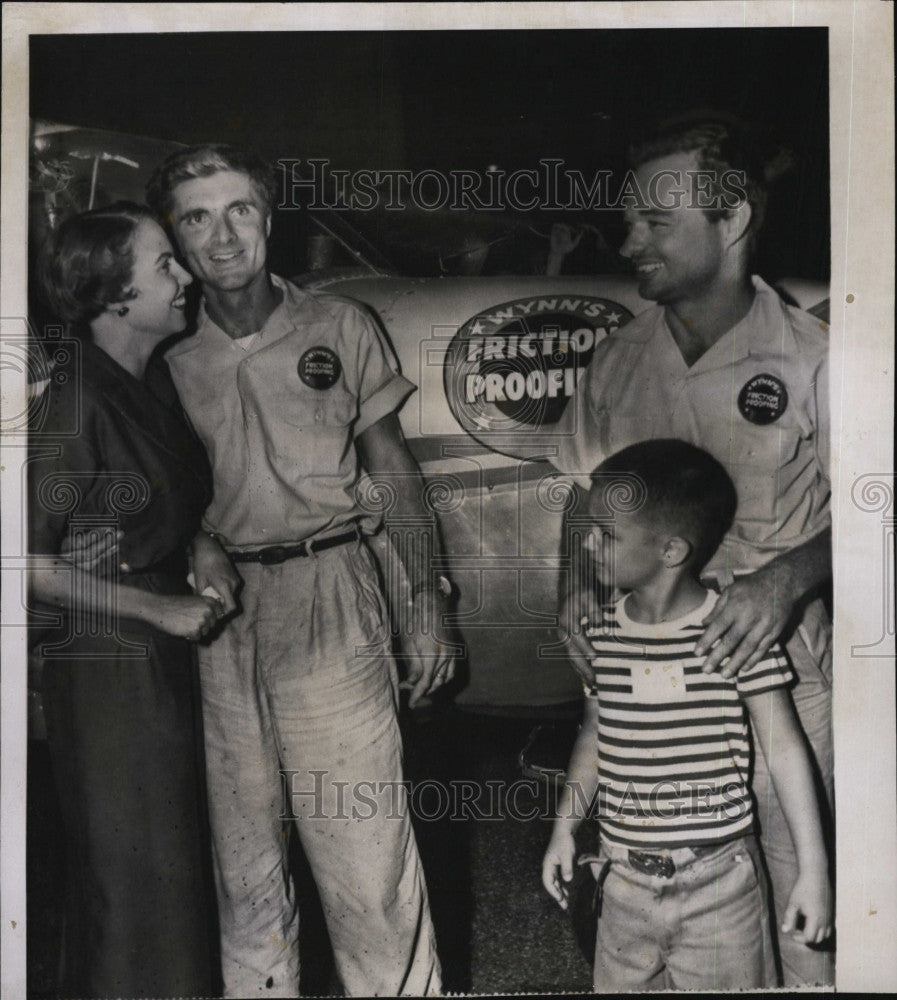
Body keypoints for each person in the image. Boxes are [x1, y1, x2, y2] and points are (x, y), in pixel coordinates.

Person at [145, 144, 453, 998]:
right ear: (173, 238)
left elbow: (392, 469)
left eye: (239, 209)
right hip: (216, 614)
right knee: (242, 866)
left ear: (270, 218)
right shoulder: (162, 354)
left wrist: (424, 597)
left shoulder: (339, 325)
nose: (223, 235)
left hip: (333, 588)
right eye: (195, 217)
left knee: (367, 859)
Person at [549, 115, 833, 986]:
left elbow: (881, 510)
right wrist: (574, 586)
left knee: (802, 903)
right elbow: (577, 492)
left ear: (731, 222)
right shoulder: (616, 362)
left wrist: (783, 580)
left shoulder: (816, 357)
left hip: (780, 667)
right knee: (663, 897)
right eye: (626, 219)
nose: (628, 240)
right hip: (652, 677)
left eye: (654, 223)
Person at [541, 439, 832, 991]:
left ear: (671, 550)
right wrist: (563, 828)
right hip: (622, 878)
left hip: (720, 884)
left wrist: (814, 870)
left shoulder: (733, 630)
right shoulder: (602, 632)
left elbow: (787, 751)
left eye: (608, 535)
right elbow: (594, 737)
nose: (589, 544)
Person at [28, 203, 228, 998]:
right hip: (109, 666)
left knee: (170, 881)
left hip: (156, 658)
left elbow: (177, 502)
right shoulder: (74, 397)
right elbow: (22, 564)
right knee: (138, 886)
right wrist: (160, 608)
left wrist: (204, 550)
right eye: (165, 266)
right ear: (113, 295)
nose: (186, 279)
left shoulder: (147, 380)